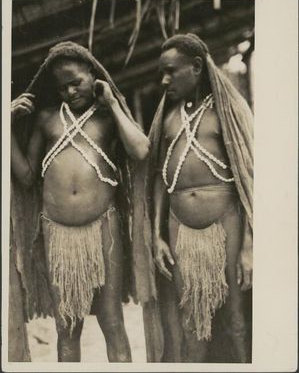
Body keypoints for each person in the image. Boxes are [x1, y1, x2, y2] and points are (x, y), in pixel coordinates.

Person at [10, 41, 150, 362]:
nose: (71, 92)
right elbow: (28, 176)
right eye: (63, 88)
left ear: (93, 74)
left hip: (104, 229)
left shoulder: (107, 118)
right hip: (58, 234)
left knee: (111, 321)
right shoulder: (47, 120)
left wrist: (113, 103)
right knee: (67, 328)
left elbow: (141, 149)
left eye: (77, 82)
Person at [138, 33, 253, 362]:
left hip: (226, 223)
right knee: (191, 316)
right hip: (180, 229)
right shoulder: (167, 120)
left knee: (235, 315)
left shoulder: (226, 113)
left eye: (171, 71)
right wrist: (158, 236)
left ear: (197, 67)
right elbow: (160, 178)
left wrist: (246, 246)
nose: (164, 80)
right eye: (163, 72)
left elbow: (246, 177)